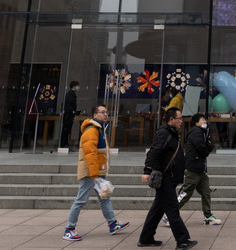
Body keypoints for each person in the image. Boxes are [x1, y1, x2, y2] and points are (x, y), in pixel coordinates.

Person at [63, 105, 129, 241]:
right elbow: (90, 153)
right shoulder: (92, 130)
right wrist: (95, 174)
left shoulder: (100, 129)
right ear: (95, 115)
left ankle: (113, 224)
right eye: (102, 112)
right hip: (91, 173)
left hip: (98, 171)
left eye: (107, 112)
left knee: (105, 198)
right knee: (81, 200)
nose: (106, 115)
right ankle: (69, 229)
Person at [139, 107, 197, 249]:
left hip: (170, 178)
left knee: (157, 209)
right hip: (165, 178)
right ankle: (182, 240)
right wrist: (147, 170)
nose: (181, 121)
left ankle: (146, 238)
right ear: (171, 119)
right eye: (179, 118)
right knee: (172, 209)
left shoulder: (172, 133)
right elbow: (153, 152)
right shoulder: (164, 133)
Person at [163, 113, 222, 227]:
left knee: (206, 193)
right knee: (186, 193)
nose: (205, 122)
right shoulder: (196, 132)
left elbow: (208, 147)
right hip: (193, 169)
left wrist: (208, 142)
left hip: (201, 170)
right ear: (196, 123)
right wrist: (209, 144)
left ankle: (208, 216)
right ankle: (169, 214)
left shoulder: (203, 133)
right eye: (202, 120)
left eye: (205, 120)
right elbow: (204, 149)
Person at [60, 81, 79, 149]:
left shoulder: (70, 94)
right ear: (74, 86)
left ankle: (65, 143)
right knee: (66, 130)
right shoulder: (71, 94)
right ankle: (63, 144)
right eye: (77, 86)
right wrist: (72, 112)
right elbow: (69, 105)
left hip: (68, 114)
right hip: (68, 115)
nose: (78, 88)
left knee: (67, 130)